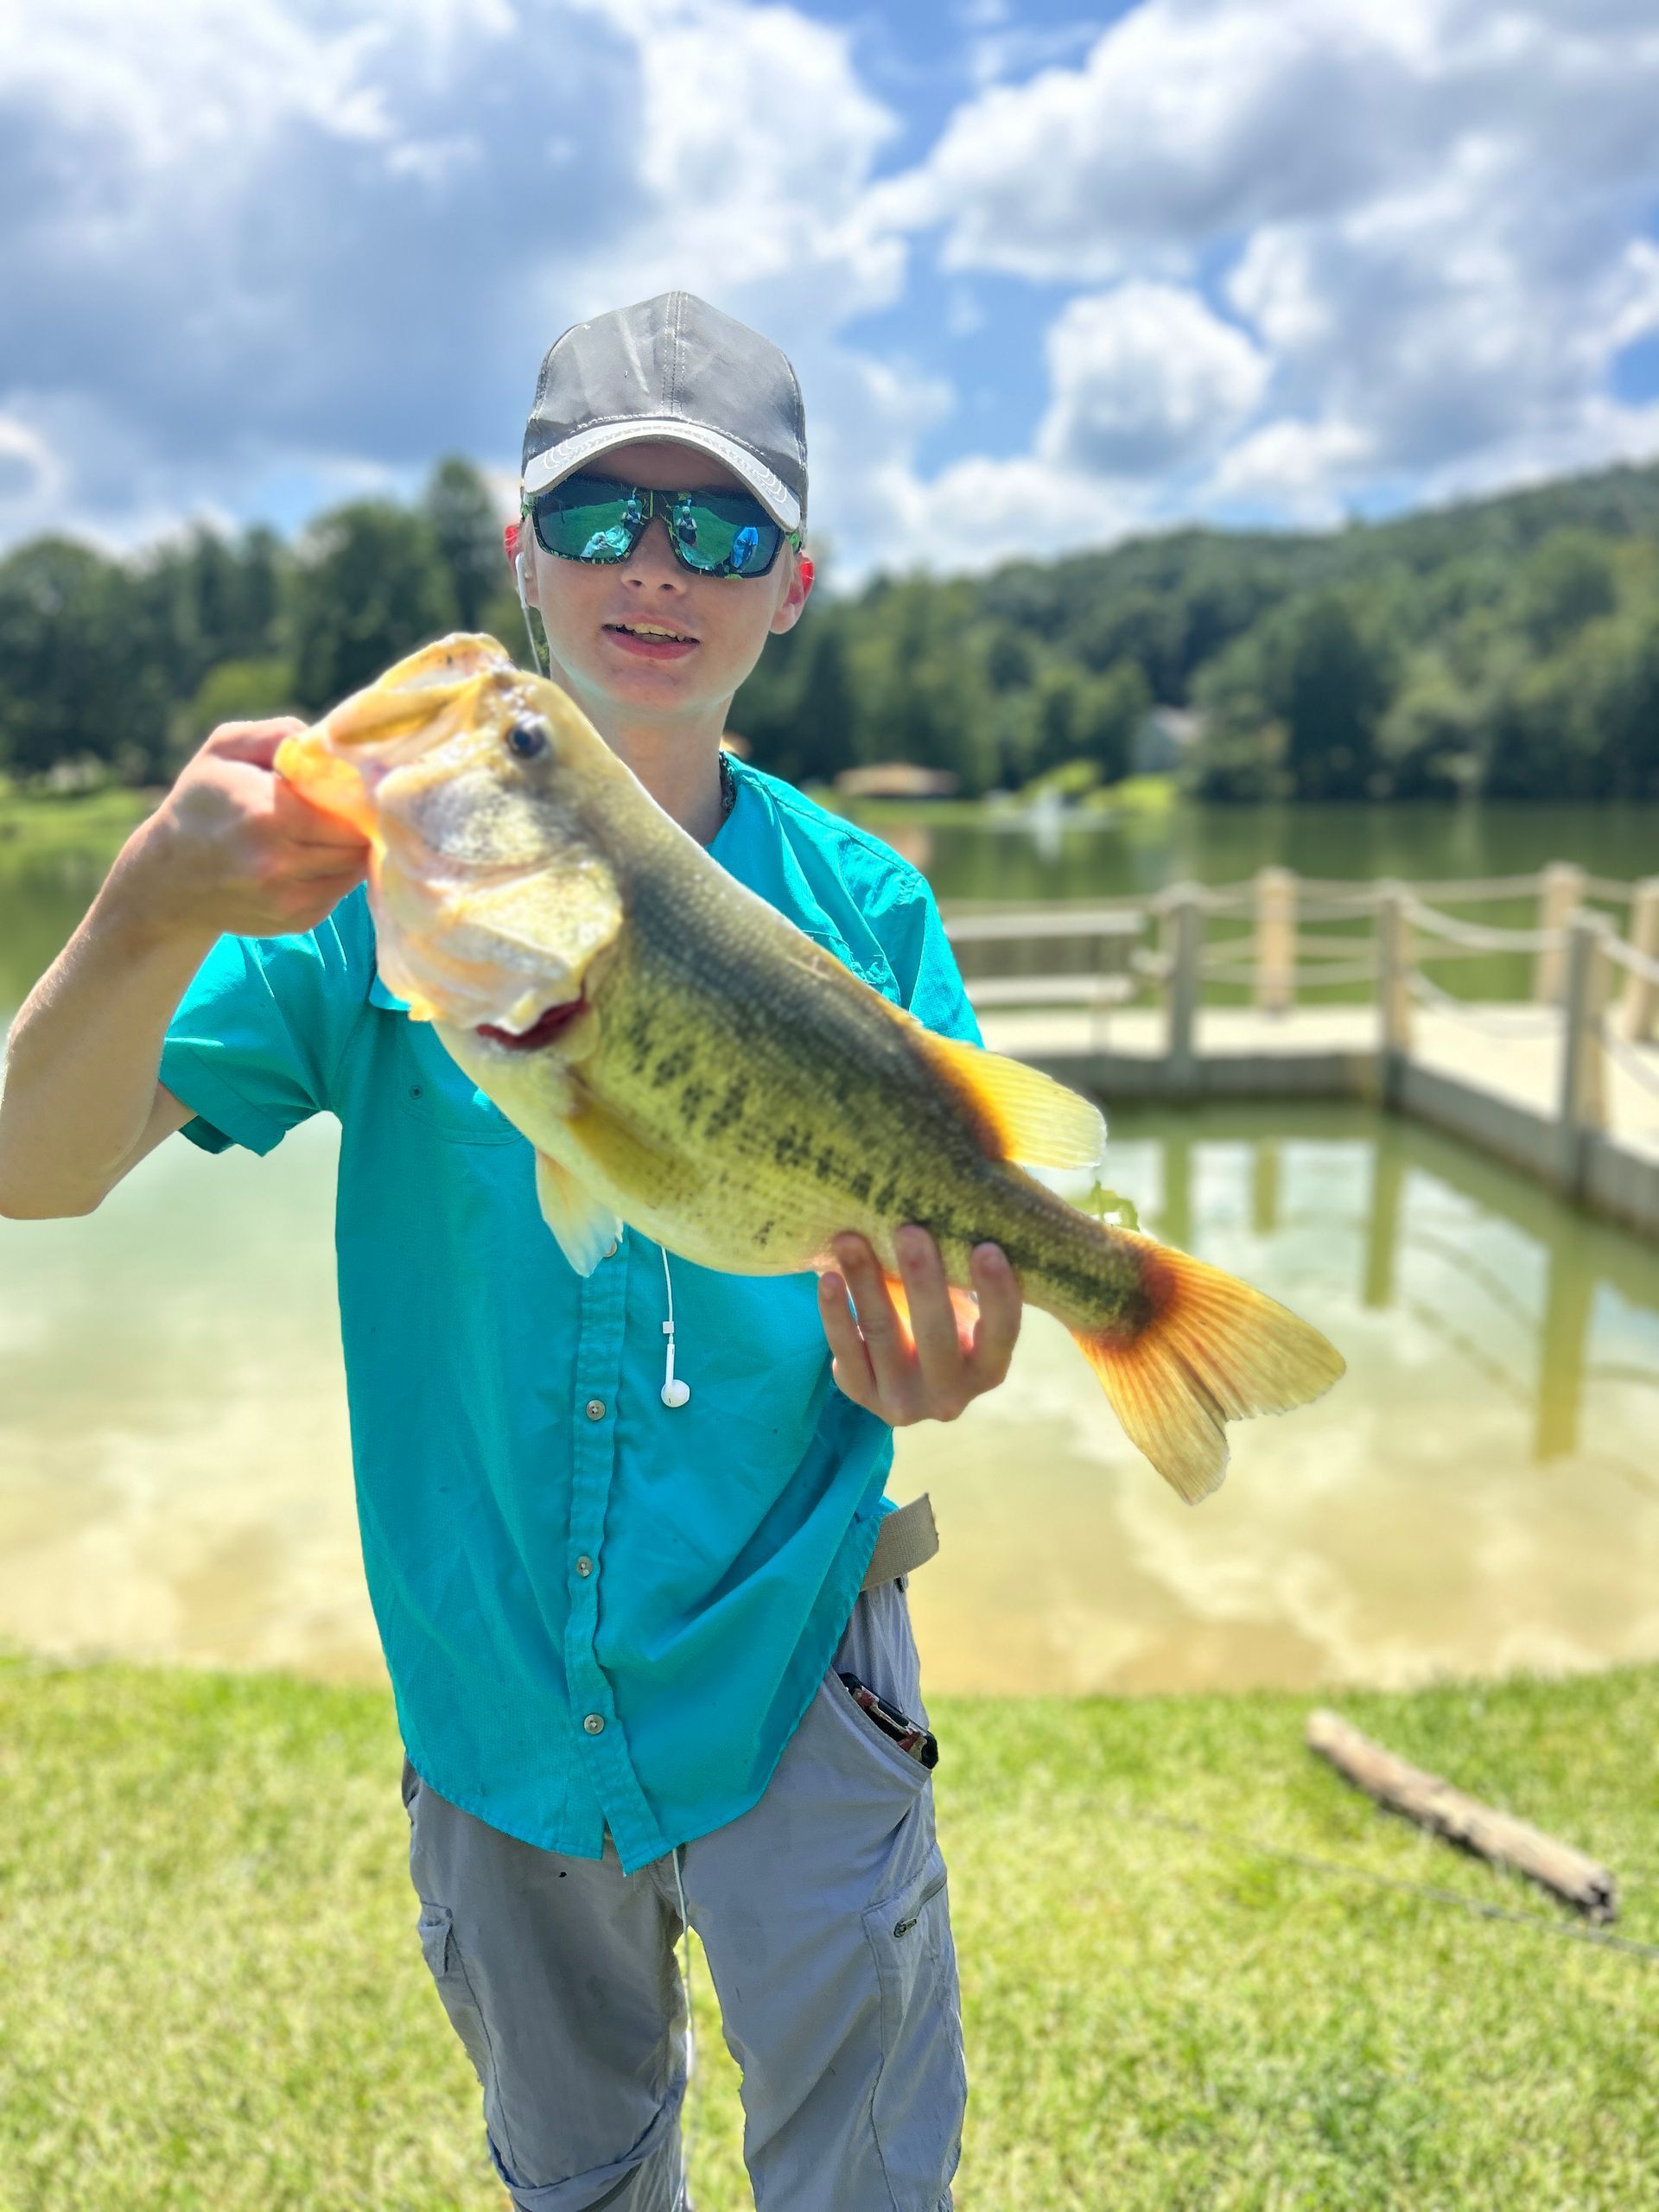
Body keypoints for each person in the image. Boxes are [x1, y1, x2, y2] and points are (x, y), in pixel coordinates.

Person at [0, 291, 1023, 2211]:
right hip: (490, 1695)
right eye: (601, 513)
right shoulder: (372, 892)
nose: (656, 566)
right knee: (580, 2175)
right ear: (519, 551)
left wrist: (947, 1359)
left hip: (799, 1647)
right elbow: (30, 1170)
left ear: (790, 584)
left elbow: (949, 1285)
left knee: (864, 2171)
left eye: (717, 529)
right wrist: (144, 907)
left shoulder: (869, 907)